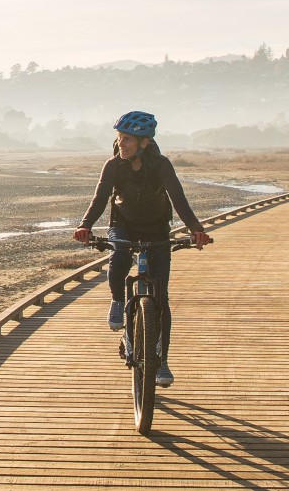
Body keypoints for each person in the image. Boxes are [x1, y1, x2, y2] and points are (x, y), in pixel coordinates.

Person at [72, 110, 213, 388]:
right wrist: (85, 226)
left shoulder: (161, 165)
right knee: (119, 256)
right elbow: (100, 198)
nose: (121, 144)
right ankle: (116, 301)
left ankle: (162, 362)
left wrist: (196, 229)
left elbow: (178, 198)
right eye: (120, 138)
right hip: (123, 224)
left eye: (128, 140)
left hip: (157, 229)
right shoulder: (113, 166)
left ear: (144, 143)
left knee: (161, 300)